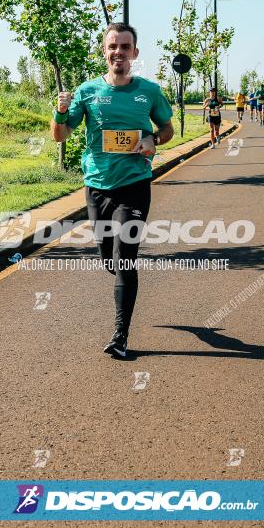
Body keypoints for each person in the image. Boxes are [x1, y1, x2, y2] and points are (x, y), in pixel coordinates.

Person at [51, 22, 174, 359]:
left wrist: (153, 139)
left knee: (124, 259)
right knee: (109, 258)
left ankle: (120, 335)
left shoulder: (148, 91)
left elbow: (168, 128)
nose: (118, 52)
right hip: (97, 186)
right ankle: (118, 275)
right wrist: (60, 110)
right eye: (112, 46)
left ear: (134, 53)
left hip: (135, 184)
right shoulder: (87, 91)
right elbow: (60, 136)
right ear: (104, 52)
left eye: (124, 47)